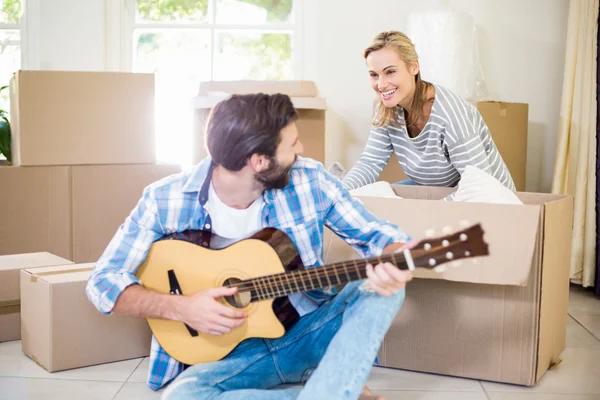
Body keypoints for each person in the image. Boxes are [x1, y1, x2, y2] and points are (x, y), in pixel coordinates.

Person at [85, 93, 415, 400]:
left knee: (380, 285)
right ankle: (330, 391)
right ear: (258, 161)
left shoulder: (310, 179)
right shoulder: (164, 199)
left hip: (309, 333)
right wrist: (184, 309)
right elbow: (104, 281)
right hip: (230, 356)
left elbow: (376, 234)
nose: (300, 149)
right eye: (292, 143)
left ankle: (327, 387)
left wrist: (394, 253)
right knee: (182, 396)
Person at [341, 31, 515, 193]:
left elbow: (480, 187)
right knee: (377, 195)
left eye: (390, 72)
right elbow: (370, 163)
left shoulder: (450, 115)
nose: (381, 84)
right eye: (374, 75)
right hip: (438, 190)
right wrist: (339, 193)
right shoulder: (388, 110)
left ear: (414, 67)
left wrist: (427, 210)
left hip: (488, 198)